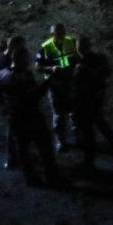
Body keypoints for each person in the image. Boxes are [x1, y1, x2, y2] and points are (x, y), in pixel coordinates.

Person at [0, 40, 62, 187]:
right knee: (44, 146)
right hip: (32, 117)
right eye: (26, 59)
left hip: (15, 118)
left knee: (23, 149)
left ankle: (30, 178)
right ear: (19, 60)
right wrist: (48, 82)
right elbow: (32, 96)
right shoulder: (24, 76)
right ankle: (52, 177)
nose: (28, 62)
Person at [72, 36, 113, 171]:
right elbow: (106, 73)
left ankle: (89, 159)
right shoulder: (98, 59)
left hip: (87, 99)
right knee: (99, 120)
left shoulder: (82, 63)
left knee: (88, 129)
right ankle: (112, 142)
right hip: (96, 97)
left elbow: (79, 84)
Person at [37, 23, 78, 151]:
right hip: (55, 84)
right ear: (52, 34)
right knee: (59, 114)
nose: (61, 35)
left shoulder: (71, 41)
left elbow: (78, 57)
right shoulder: (45, 47)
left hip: (71, 82)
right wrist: (52, 69)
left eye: (63, 32)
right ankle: (60, 140)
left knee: (75, 111)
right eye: (58, 33)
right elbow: (38, 67)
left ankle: (78, 135)